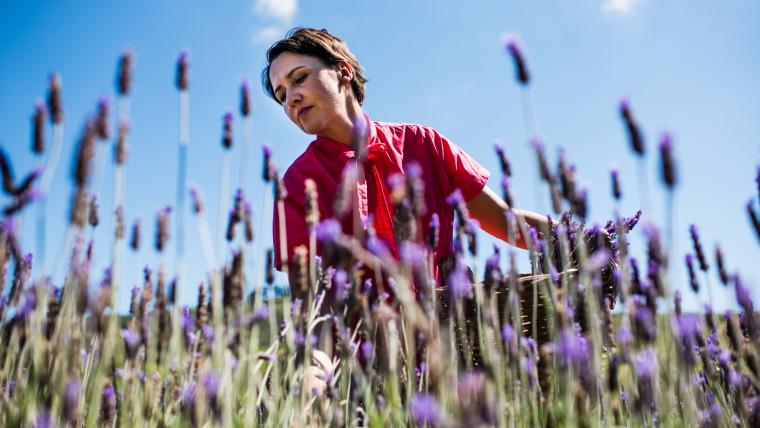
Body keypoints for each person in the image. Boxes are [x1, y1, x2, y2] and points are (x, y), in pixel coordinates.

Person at [262, 28, 548, 295]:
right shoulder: (296, 184)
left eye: (299, 78)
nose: (291, 100)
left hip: (454, 330)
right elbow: (307, 302)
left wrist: (577, 237)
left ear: (343, 72)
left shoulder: (422, 142)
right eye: (282, 95)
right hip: (366, 345)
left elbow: (505, 221)